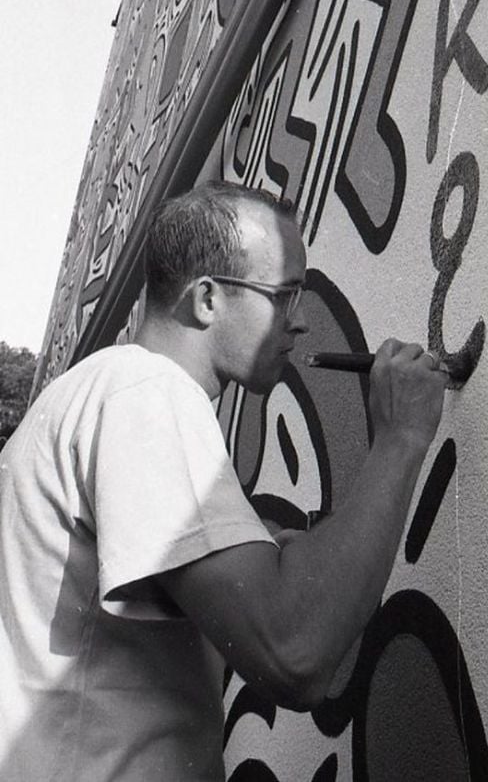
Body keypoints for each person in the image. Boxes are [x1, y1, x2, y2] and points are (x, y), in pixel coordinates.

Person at [0, 181, 446, 782]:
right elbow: (293, 649)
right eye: (285, 295)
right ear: (206, 299)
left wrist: (270, 551)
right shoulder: (147, 395)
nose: (303, 322)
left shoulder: (93, 396)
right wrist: (399, 439)